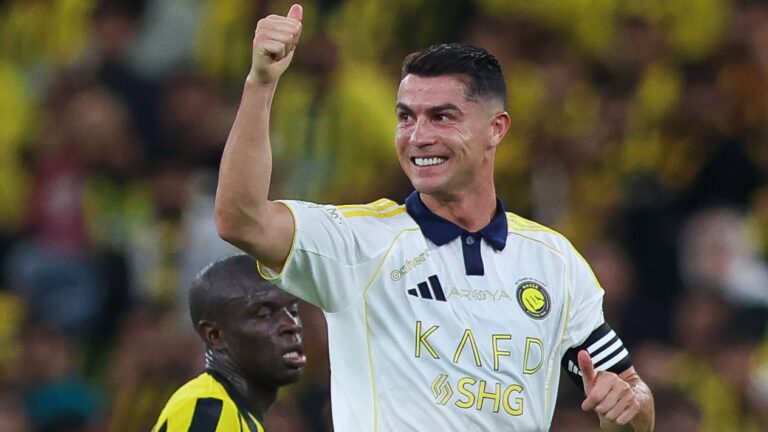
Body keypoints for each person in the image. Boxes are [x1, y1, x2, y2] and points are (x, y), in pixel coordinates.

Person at [214, 4, 655, 430]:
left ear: (496, 128)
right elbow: (241, 220)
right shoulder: (357, 242)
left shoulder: (554, 262)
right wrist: (261, 82)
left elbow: (631, 392)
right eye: (406, 117)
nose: (418, 136)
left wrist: (627, 404)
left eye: (442, 117)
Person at [151, 254, 305, 432]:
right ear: (215, 335)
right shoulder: (208, 409)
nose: (291, 325)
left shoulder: (239, 416)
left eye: (292, 310)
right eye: (265, 314)